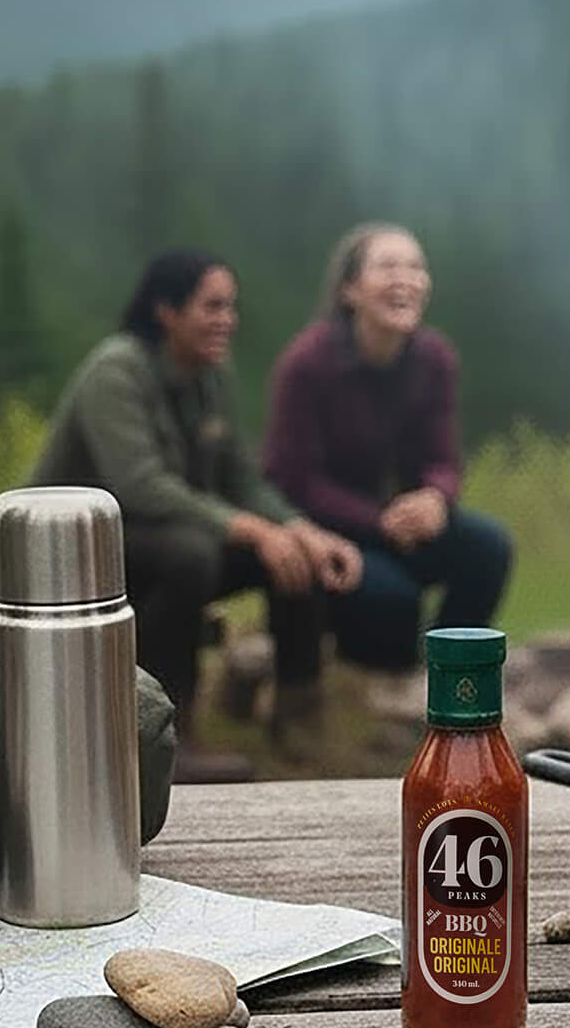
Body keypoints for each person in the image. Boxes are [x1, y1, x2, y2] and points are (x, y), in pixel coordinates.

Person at [31, 248, 362, 779]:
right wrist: (250, 529)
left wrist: (303, 531)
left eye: (230, 307)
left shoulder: (210, 375)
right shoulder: (116, 371)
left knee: (290, 553)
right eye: (212, 307)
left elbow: (242, 479)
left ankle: (298, 723)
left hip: (163, 535)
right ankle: (164, 734)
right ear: (167, 310)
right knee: (193, 554)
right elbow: (139, 486)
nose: (227, 320)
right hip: (78, 550)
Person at [264, 224, 512, 679]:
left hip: (401, 522)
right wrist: (376, 522)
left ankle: (453, 678)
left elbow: (444, 458)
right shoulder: (307, 364)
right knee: (395, 606)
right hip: (330, 531)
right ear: (349, 290)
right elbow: (295, 480)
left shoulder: (435, 359)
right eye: (388, 267)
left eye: (416, 267)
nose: (405, 279)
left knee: (488, 547)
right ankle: (383, 671)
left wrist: (436, 498)